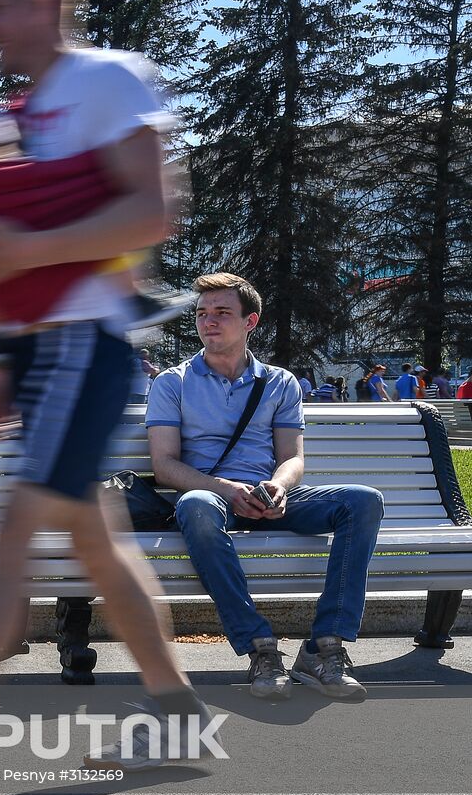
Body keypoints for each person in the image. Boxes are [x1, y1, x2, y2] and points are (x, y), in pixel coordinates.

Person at [0, 0, 212, 770]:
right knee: (100, 552)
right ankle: (177, 718)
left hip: (85, 348)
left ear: (45, 2)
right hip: (52, 350)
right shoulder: (34, 110)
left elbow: (152, 210)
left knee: (9, 539)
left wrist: (30, 248)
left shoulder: (109, 81)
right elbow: (28, 252)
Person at [149, 273, 381, 700]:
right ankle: (260, 648)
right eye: (202, 314)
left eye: (222, 313)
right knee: (196, 505)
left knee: (363, 501)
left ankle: (324, 648)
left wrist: (277, 486)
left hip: (269, 496)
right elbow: (164, 466)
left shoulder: (279, 382)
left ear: (250, 321)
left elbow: (292, 457)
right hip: (211, 497)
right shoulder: (172, 382)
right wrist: (227, 489)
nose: (208, 322)